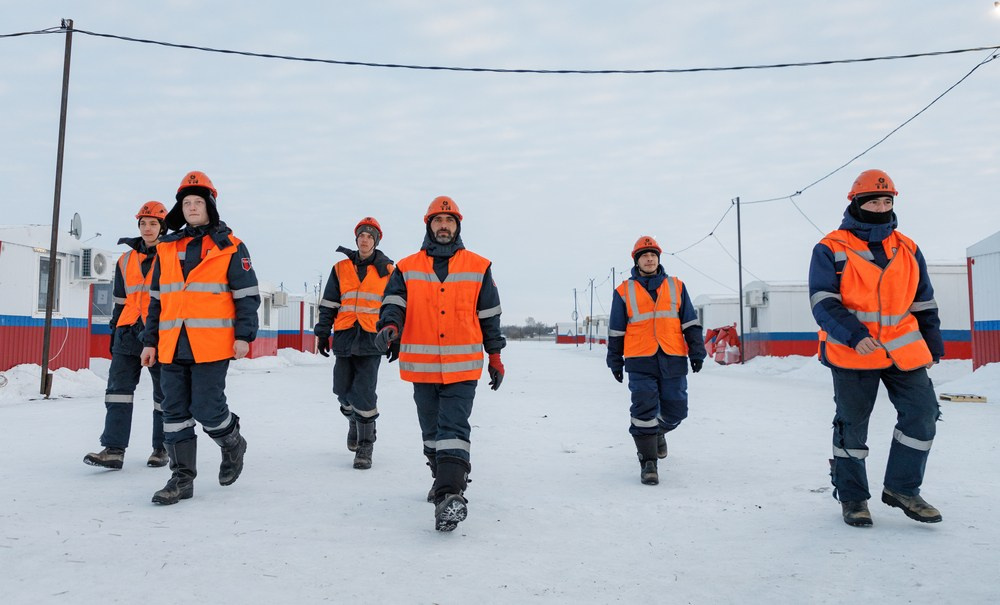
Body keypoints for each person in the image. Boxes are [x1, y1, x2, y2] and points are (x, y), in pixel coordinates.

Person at [809, 168, 944, 527]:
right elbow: (823, 301)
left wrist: (932, 346)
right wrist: (854, 333)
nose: (881, 206)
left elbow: (923, 302)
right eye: (874, 200)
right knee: (852, 427)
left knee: (923, 413)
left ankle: (903, 489)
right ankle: (853, 497)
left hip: (904, 350)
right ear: (857, 203)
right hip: (853, 350)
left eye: (887, 200)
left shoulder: (908, 247)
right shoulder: (831, 247)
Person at [376, 196, 505, 532]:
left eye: (449, 221)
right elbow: (394, 304)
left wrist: (495, 355)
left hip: (463, 367)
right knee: (432, 434)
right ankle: (443, 477)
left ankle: (450, 494)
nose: (444, 226)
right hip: (423, 366)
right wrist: (390, 327)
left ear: (457, 226)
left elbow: (490, 315)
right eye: (438, 221)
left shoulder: (478, 266)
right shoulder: (406, 267)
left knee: (454, 428)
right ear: (429, 226)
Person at [140, 170, 260, 505]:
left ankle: (232, 442)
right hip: (171, 344)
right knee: (173, 412)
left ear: (209, 206)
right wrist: (150, 341)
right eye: (187, 202)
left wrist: (244, 336)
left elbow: (247, 296)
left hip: (212, 345)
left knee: (208, 409)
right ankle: (181, 479)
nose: (192, 207)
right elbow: (157, 301)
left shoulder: (231, 246)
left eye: (198, 202)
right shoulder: (167, 247)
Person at [606, 236, 706, 486]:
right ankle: (648, 462)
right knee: (643, 408)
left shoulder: (677, 286)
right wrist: (615, 360)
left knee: (676, 410)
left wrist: (697, 351)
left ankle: (657, 432)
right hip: (640, 359)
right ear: (637, 260)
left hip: (672, 356)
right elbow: (616, 330)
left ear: (658, 259)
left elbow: (690, 322)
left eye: (653, 255)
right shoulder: (623, 291)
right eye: (644, 255)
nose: (649, 258)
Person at [84, 201, 170, 470]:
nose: (147, 228)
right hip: (127, 331)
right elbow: (119, 301)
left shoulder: (171, 257)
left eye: (153, 223)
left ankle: (161, 448)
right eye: (143, 223)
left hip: (158, 333)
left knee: (164, 395)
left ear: (162, 227)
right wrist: (115, 329)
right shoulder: (124, 260)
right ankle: (113, 450)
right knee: (117, 392)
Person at [314, 217, 395, 470]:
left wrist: (395, 338)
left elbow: (394, 306)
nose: (365, 239)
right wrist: (322, 331)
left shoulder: (388, 270)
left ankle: (365, 445)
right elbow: (329, 302)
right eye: (361, 235)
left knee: (365, 392)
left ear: (376, 241)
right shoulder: (340, 268)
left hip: (373, 338)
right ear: (356, 239)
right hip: (346, 334)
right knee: (341, 390)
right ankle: (353, 422)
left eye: (370, 236)